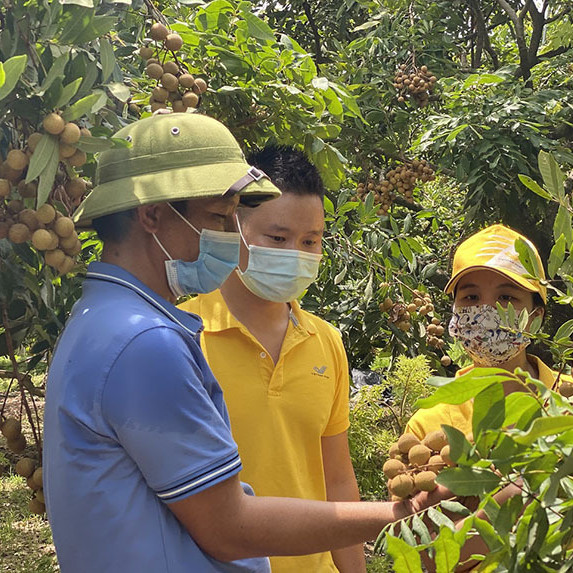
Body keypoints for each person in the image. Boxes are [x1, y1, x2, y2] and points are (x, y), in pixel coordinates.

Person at [42, 112, 449, 573]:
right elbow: (228, 527)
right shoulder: (145, 342)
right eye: (219, 217)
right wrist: (407, 514)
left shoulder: (102, 317)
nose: (233, 241)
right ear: (152, 215)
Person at [179, 146, 365, 572]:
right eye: (277, 238)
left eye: (310, 241)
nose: (295, 253)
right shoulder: (181, 336)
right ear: (234, 227)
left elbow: (336, 477)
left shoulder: (326, 341)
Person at [401, 223, 572, 572]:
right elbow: (423, 557)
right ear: (455, 315)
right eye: (471, 298)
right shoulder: (430, 423)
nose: (488, 310)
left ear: (536, 315)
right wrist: (521, 493)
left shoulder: (566, 399)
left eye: (507, 297)